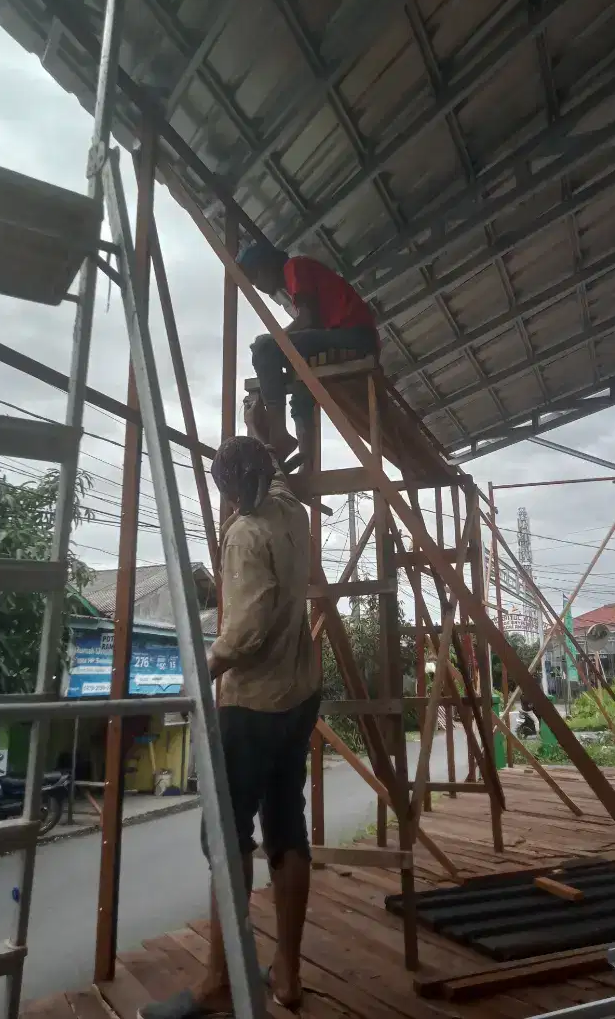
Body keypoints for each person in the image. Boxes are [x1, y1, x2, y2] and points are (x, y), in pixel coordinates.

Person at [139, 414, 320, 1019]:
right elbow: (278, 474)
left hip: (254, 701)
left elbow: (243, 632)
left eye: (225, 488)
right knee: (286, 822)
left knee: (226, 832)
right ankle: (288, 975)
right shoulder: (294, 513)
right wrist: (262, 424)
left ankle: (220, 978)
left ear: (231, 489)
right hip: (302, 690)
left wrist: (203, 670)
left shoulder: (245, 534)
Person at [240, 244, 379, 467]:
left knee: (264, 350)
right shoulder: (294, 281)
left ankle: (278, 435)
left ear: (267, 265)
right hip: (350, 336)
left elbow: (307, 320)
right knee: (299, 378)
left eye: (255, 276)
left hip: (354, 335)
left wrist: (271, 340)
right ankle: (305, 459)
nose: (257, 285)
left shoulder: (295, 267)